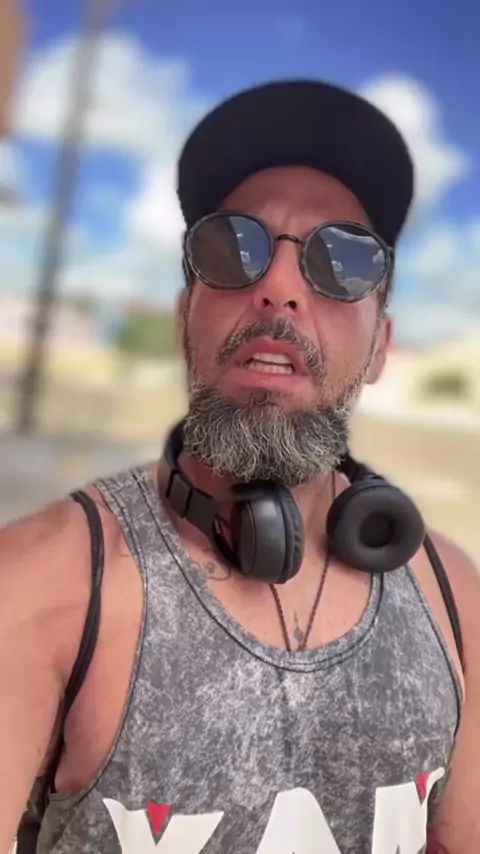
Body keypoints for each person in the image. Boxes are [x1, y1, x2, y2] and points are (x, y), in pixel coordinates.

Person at [1, 79, 479, 854]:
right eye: (232, 247)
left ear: (381, 348)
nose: (278, 287)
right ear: (185, 316)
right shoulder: (32, 586)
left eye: (343, 260)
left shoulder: (457, 601)